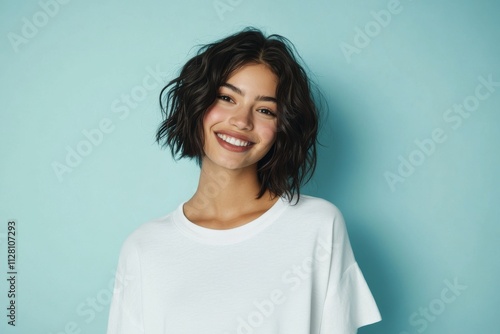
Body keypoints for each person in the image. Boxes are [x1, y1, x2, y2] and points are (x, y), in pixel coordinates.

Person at [107, 27, 381, 334]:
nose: (241, 121)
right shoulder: (144, 247)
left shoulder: (318, 226)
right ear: (197, 104)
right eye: (226, 97)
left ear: (282, 128)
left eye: (265, 110)